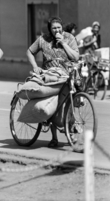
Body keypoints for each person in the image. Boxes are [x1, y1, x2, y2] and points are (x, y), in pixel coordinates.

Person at [26, 16, 79, 148]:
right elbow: (29, 51)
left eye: (59, 28)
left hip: (66, 75)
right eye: (54, 28)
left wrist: (64, 43)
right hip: (49, 76)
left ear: (62, 27)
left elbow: (76, 57)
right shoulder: (43, 39)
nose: (57, 30)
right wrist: (35, 66)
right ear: (50, 29)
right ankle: (54, 137)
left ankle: (71, 132)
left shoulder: (69, 38)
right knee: (52, 104)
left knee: (69, 103)